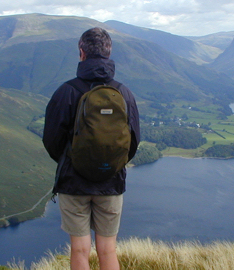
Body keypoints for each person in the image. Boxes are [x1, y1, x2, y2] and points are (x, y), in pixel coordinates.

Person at [42, 27, 140, 270]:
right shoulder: (123, 92)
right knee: (108, 250)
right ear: (109, 53)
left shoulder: (66, 91)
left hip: (74, 182)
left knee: (80, 249)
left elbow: (51, 139)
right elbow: (134, 140)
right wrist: (111, 164)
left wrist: (72, 159)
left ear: (81, 53)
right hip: (111, 181)